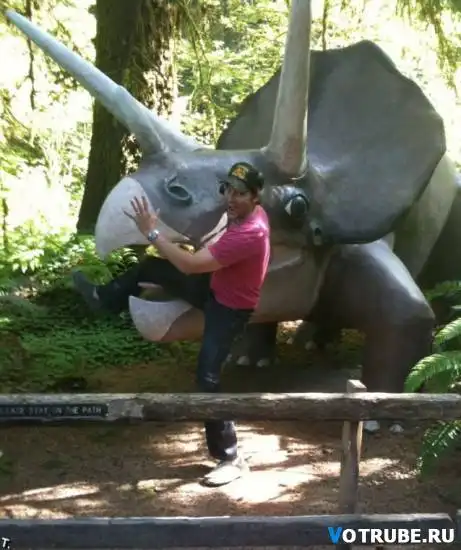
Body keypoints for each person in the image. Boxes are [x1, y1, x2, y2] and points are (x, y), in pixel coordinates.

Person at [72, 161, 271, 487]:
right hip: (214, 287)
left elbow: (191, 265)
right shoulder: (246, 216)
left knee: (207, 379)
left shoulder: (251, 232)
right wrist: (169, 264)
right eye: (229, 190)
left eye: (240, 194)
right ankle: (103, 298)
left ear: (256, 197)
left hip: (229, 310)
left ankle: (230, 457)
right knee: (150, 267)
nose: (231, 198)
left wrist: (152, 232)